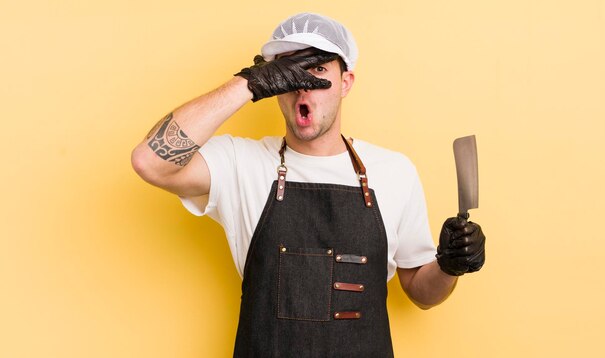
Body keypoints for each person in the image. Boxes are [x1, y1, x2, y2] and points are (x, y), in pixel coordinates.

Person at [131, 12, 486, 357]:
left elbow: (423, 293)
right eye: (288, 71)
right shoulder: (240, 163)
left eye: (317, 69)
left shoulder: (394, 171)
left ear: (345, 82)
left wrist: (448, 266)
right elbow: (150, 161)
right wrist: (248, 84)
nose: (303, 85)